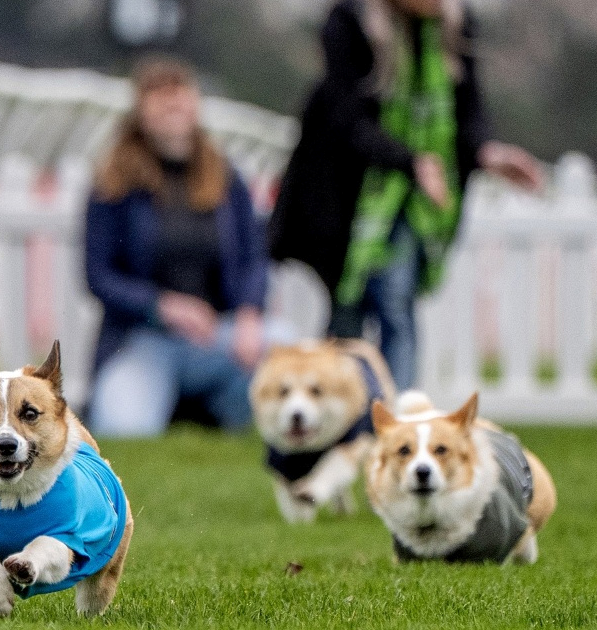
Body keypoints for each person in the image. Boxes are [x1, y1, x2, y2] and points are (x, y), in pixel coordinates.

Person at [268, 0, 544, 390]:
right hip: (344, 193)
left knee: (396, 300)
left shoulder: (455, 23)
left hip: (414, 199)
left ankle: (396, 419)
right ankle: (344, 417)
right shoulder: (349, 21)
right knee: (347, 305)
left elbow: (468, 110)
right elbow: (347, 120)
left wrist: (489, 153)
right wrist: (409, 161)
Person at [84, 58, 270, 438]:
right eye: (159, 95)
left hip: (221, 335)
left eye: (180, 93)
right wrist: (164, 306)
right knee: (124, 429)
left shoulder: (225, 177)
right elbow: (98, 276)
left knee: (292, 358)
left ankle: (218, 411)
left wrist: (250, 314)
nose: (172, 105)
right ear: (140, 109)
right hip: (143, 339)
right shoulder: (113, 183)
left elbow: (254, 256)